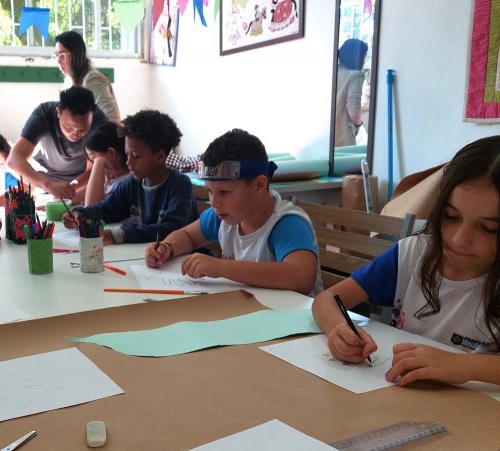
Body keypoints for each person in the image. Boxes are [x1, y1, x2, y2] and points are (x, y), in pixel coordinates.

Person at [312, 137, 500, 387]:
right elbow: (327, 299)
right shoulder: (414, 254)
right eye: (451, 216)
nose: (460, 239)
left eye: (489, 228)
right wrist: (339, 330)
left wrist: (462, 364)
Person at [145, 129, 323, 296]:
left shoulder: (286, 223)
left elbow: (301, 277)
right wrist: (166, 247)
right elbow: (188, 236)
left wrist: (221, 267)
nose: (214, 202)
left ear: (259, 185)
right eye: (210, 191)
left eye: (224, 192)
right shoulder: (224, 216)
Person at [63, 109, 196, 244]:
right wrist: (79, 214)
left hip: (179, 260)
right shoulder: (132, 183)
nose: (129, 162)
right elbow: (105, 209)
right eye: (127, 154)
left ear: (160, 156)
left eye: (136, 156)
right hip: (143, 256)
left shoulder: (180, 185)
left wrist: (120, 234)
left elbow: (171, 229)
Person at [7, 86, 108, 200]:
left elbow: (95, 170)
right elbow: (13, 160)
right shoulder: (43, 115)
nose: (75, 134)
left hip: (81, 184)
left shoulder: (99, 123)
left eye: (83, 129)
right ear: (58, 112)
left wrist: (70, 189)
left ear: (92, 117)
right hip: (43, 181)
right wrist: (48, 184)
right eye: (68, 127)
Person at [55, 30, 121, 123]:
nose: (58, 61)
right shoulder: (68, 79)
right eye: (56, 55)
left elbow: (113, 120)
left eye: (62, 55)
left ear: (76, 54)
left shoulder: (92, 79)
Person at [76, 121, 129, 205]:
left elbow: (91, 211)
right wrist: (62, 200)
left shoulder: (127, 182)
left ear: (111, 152)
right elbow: (89, 190)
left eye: (94, 158)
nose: (94, 164)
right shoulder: (112, 178)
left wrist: (99, 162)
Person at [334, 38, 368, 147]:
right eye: (364, 56)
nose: (364, 60)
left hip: (325, 137)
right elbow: (353, 111)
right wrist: (358, 125)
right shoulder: (355, 75)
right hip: (343, 135)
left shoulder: (332, 71)